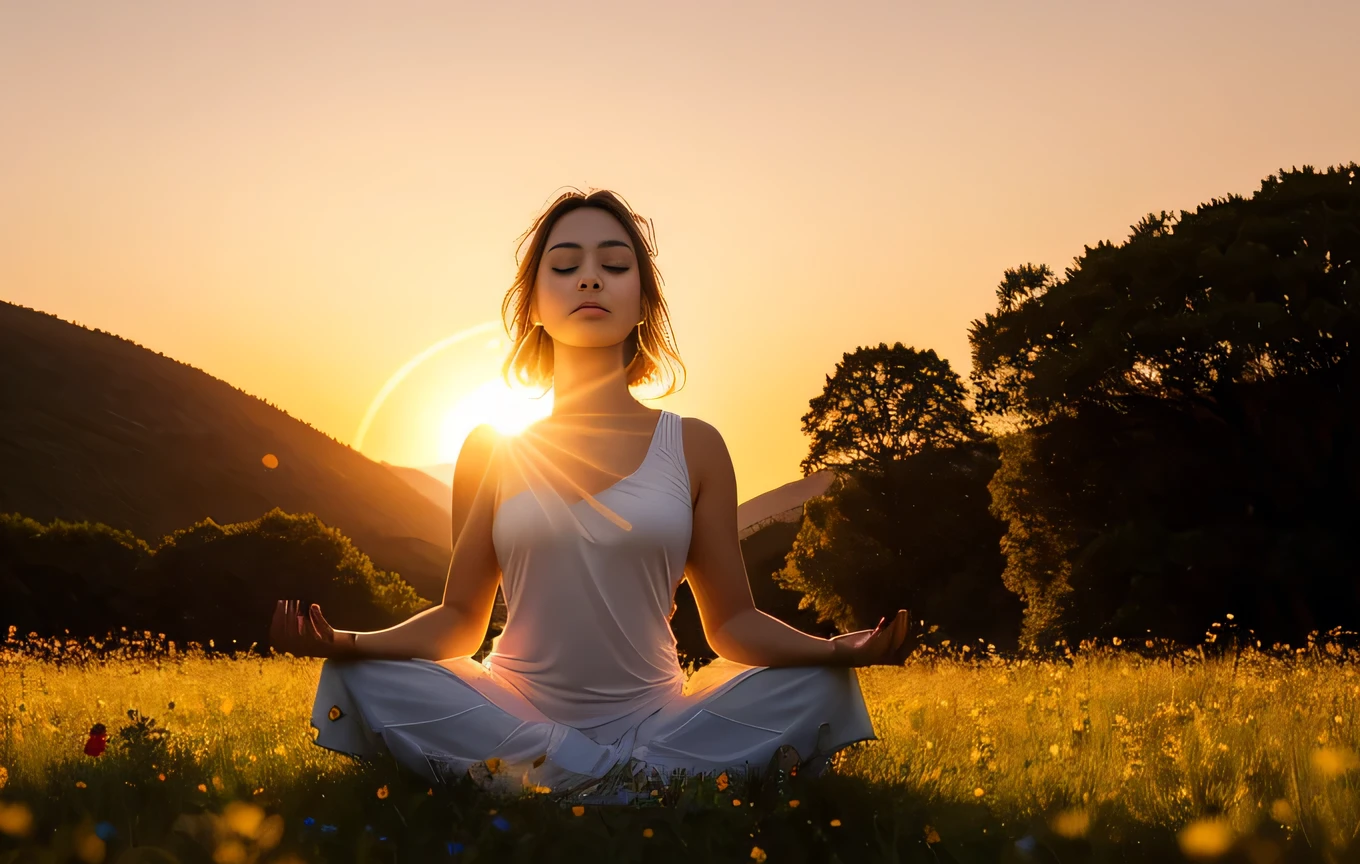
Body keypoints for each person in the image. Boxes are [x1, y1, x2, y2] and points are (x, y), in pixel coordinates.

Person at [270, 188, 913, 803]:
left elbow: (731, 625)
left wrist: (835, 650)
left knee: (822, 688)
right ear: (534, 305)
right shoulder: (491, 448)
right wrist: (346, 642)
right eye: (565, 266)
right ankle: (641, 786)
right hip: (512, 710)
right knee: (361, 678)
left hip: (659, 717)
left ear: (642, 302)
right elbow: (460, 622)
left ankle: (564, 782)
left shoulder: (694, 445)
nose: (589, 279)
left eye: (613, 264)